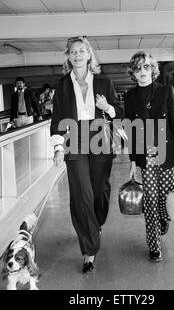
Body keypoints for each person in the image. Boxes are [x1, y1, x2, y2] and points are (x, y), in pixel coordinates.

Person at [50, 36, 123, 273]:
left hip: (99, 136)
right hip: (74, 137)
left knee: (99, 191)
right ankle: (89, 249)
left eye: (82, 51)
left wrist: (107, 108)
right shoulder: (62, 85)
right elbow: (57, 119)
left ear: (89, 55)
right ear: (68, 56)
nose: (78, 55)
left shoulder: (103, 82)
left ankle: (96, 223)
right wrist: (59, 148)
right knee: (81, 193)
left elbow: (118, 113)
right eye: (73, 52)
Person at [124, 51, 174, 262]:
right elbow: (131, 130)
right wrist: (133, 160)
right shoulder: (130, 97)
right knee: (150, 199)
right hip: (146, 154)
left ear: (153, 70)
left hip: (166, 151)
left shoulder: (166, 91)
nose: (142, 71)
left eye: (146, 67)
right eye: (138, 68)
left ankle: (163, 218)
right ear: (133, 72)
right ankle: (154, 245)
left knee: (165, 196)